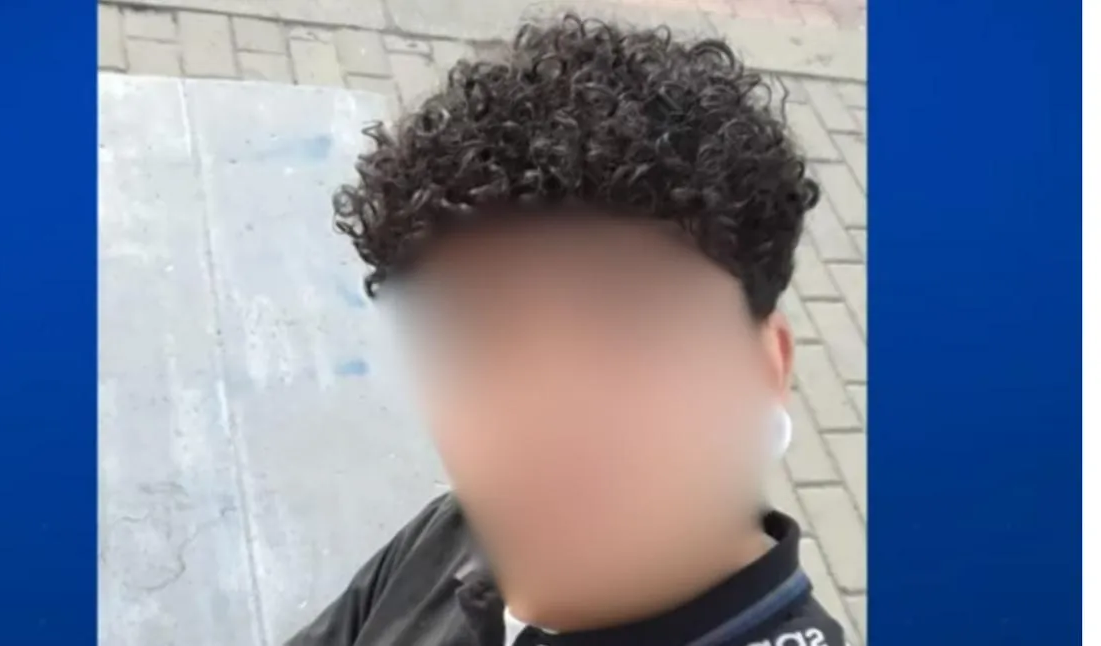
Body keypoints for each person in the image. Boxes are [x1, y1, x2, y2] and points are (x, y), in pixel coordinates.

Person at [287, 13, 845, 646]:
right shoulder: (454, 537)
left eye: (629, 322)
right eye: (477, 336)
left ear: (767, 369)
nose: (539, 416)